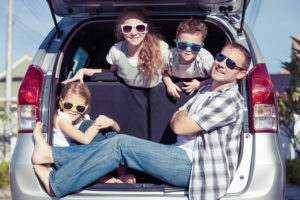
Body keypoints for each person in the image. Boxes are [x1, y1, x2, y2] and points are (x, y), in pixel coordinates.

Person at [32, 42, 251, 199]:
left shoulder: (229, 99)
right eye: (221, 58)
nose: (222, 64)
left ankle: (56, 182)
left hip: (194, 168)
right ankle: (56, 158)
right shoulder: (206, 92)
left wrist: (184, 117)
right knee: (111, 138)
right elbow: (177, 120)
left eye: (231, 64)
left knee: (120, 144)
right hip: (180, 156)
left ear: (241, 74)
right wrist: (184, 117)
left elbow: (180, 124)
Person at [38, 81, 135, 184]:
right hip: (64, 160)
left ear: (85, 108)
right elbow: (85, 139)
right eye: (69, 105)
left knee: (109, 132)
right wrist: (97, 124)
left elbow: (117, 129)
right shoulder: (62, 119)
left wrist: (109, 121)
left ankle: (122, 173)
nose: (73, 110)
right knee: (90, 126)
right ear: (61, 104)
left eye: (79, 108)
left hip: (79, 156)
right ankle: (104, 177)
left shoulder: (82, 119)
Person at [62, 7, 169, 88]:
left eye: (140, 27)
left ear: (147, 29)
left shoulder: (161, 47)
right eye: (127, 28)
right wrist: (82, 71)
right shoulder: (116, 50)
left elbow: (170, 70)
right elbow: (112, 73)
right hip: (128, 93)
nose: (134, 32)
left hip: (157, 92)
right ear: (121, 31)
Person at [163, 18, 214, 98]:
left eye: (195, 47)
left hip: (198, 88)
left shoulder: (206, 58)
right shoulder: (169, 56)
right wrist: (169, 83)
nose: (188, 50)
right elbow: (161, 71)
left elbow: (216, 77)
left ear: (201, 46)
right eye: (182, 45)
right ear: (176, 42)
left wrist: (200, 84)